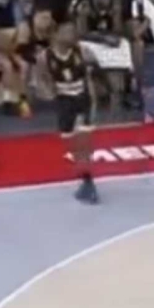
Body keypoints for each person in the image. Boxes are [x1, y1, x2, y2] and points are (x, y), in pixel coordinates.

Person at [43, 20, 98, 204]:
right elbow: (41, 80)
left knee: (83, 144)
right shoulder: (45, 57)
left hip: (83, 100)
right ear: (56, 34)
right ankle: (84, 178)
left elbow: (91, 79)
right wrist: (48, 92)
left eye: (73, 31)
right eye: (67, 31)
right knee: (72, 145)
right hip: (64, 103)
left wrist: (94, 104)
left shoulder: (83, 52)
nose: (72, 35)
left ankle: (88, 182)